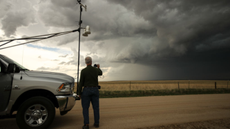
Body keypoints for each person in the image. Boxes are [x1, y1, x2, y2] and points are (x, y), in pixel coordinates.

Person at [78, 56, 103, 129]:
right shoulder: (95, 70)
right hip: (95, 89)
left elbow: (81, 83)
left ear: (86, 63)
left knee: (85, 108)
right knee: (96, 107)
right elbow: (100, 73)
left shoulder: (83, 71)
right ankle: (96, 123)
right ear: (91, 62)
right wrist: (98, 67)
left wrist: (79, 93)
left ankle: (86, 124)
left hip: (86, 90)